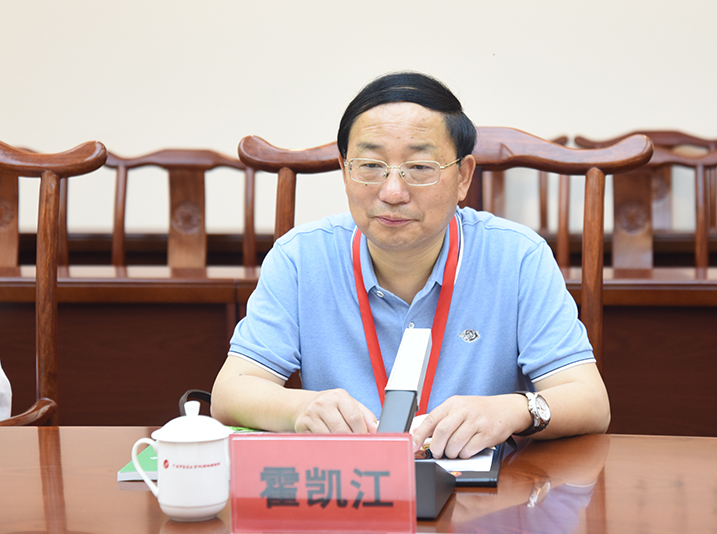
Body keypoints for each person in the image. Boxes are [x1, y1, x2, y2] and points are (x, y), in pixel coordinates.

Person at [211, 71, 610, 459]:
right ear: (345, 171)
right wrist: (302, 408)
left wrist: (513, 409)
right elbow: (230, 392)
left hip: (484, 493)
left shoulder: (517, 257)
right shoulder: (300, 258)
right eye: (370, 165)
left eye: (419, 168)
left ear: (463, 177)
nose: (392, 191)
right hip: (349, 487)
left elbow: (590, 401)